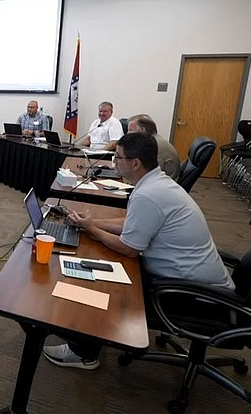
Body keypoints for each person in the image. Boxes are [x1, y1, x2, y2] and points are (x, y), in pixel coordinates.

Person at [42, 132, 234, 370]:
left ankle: (84, 352)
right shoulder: (156, 183)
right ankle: (85, 336)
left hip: (191, 293)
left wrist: (91, 229)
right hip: (192, 279)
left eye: (117, 157)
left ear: (135, 163)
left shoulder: (148, 194)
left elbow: (129, 248)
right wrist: (92, 222)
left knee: (99, 285)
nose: (114, 162)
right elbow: (131, 223)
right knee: (97, 265)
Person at [128, 114, 181, 180]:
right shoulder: (153, 140)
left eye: (130, 130)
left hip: (161, 185)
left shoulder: (154, 146)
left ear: (142, 130)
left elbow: (151, 173)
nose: (128, 133)